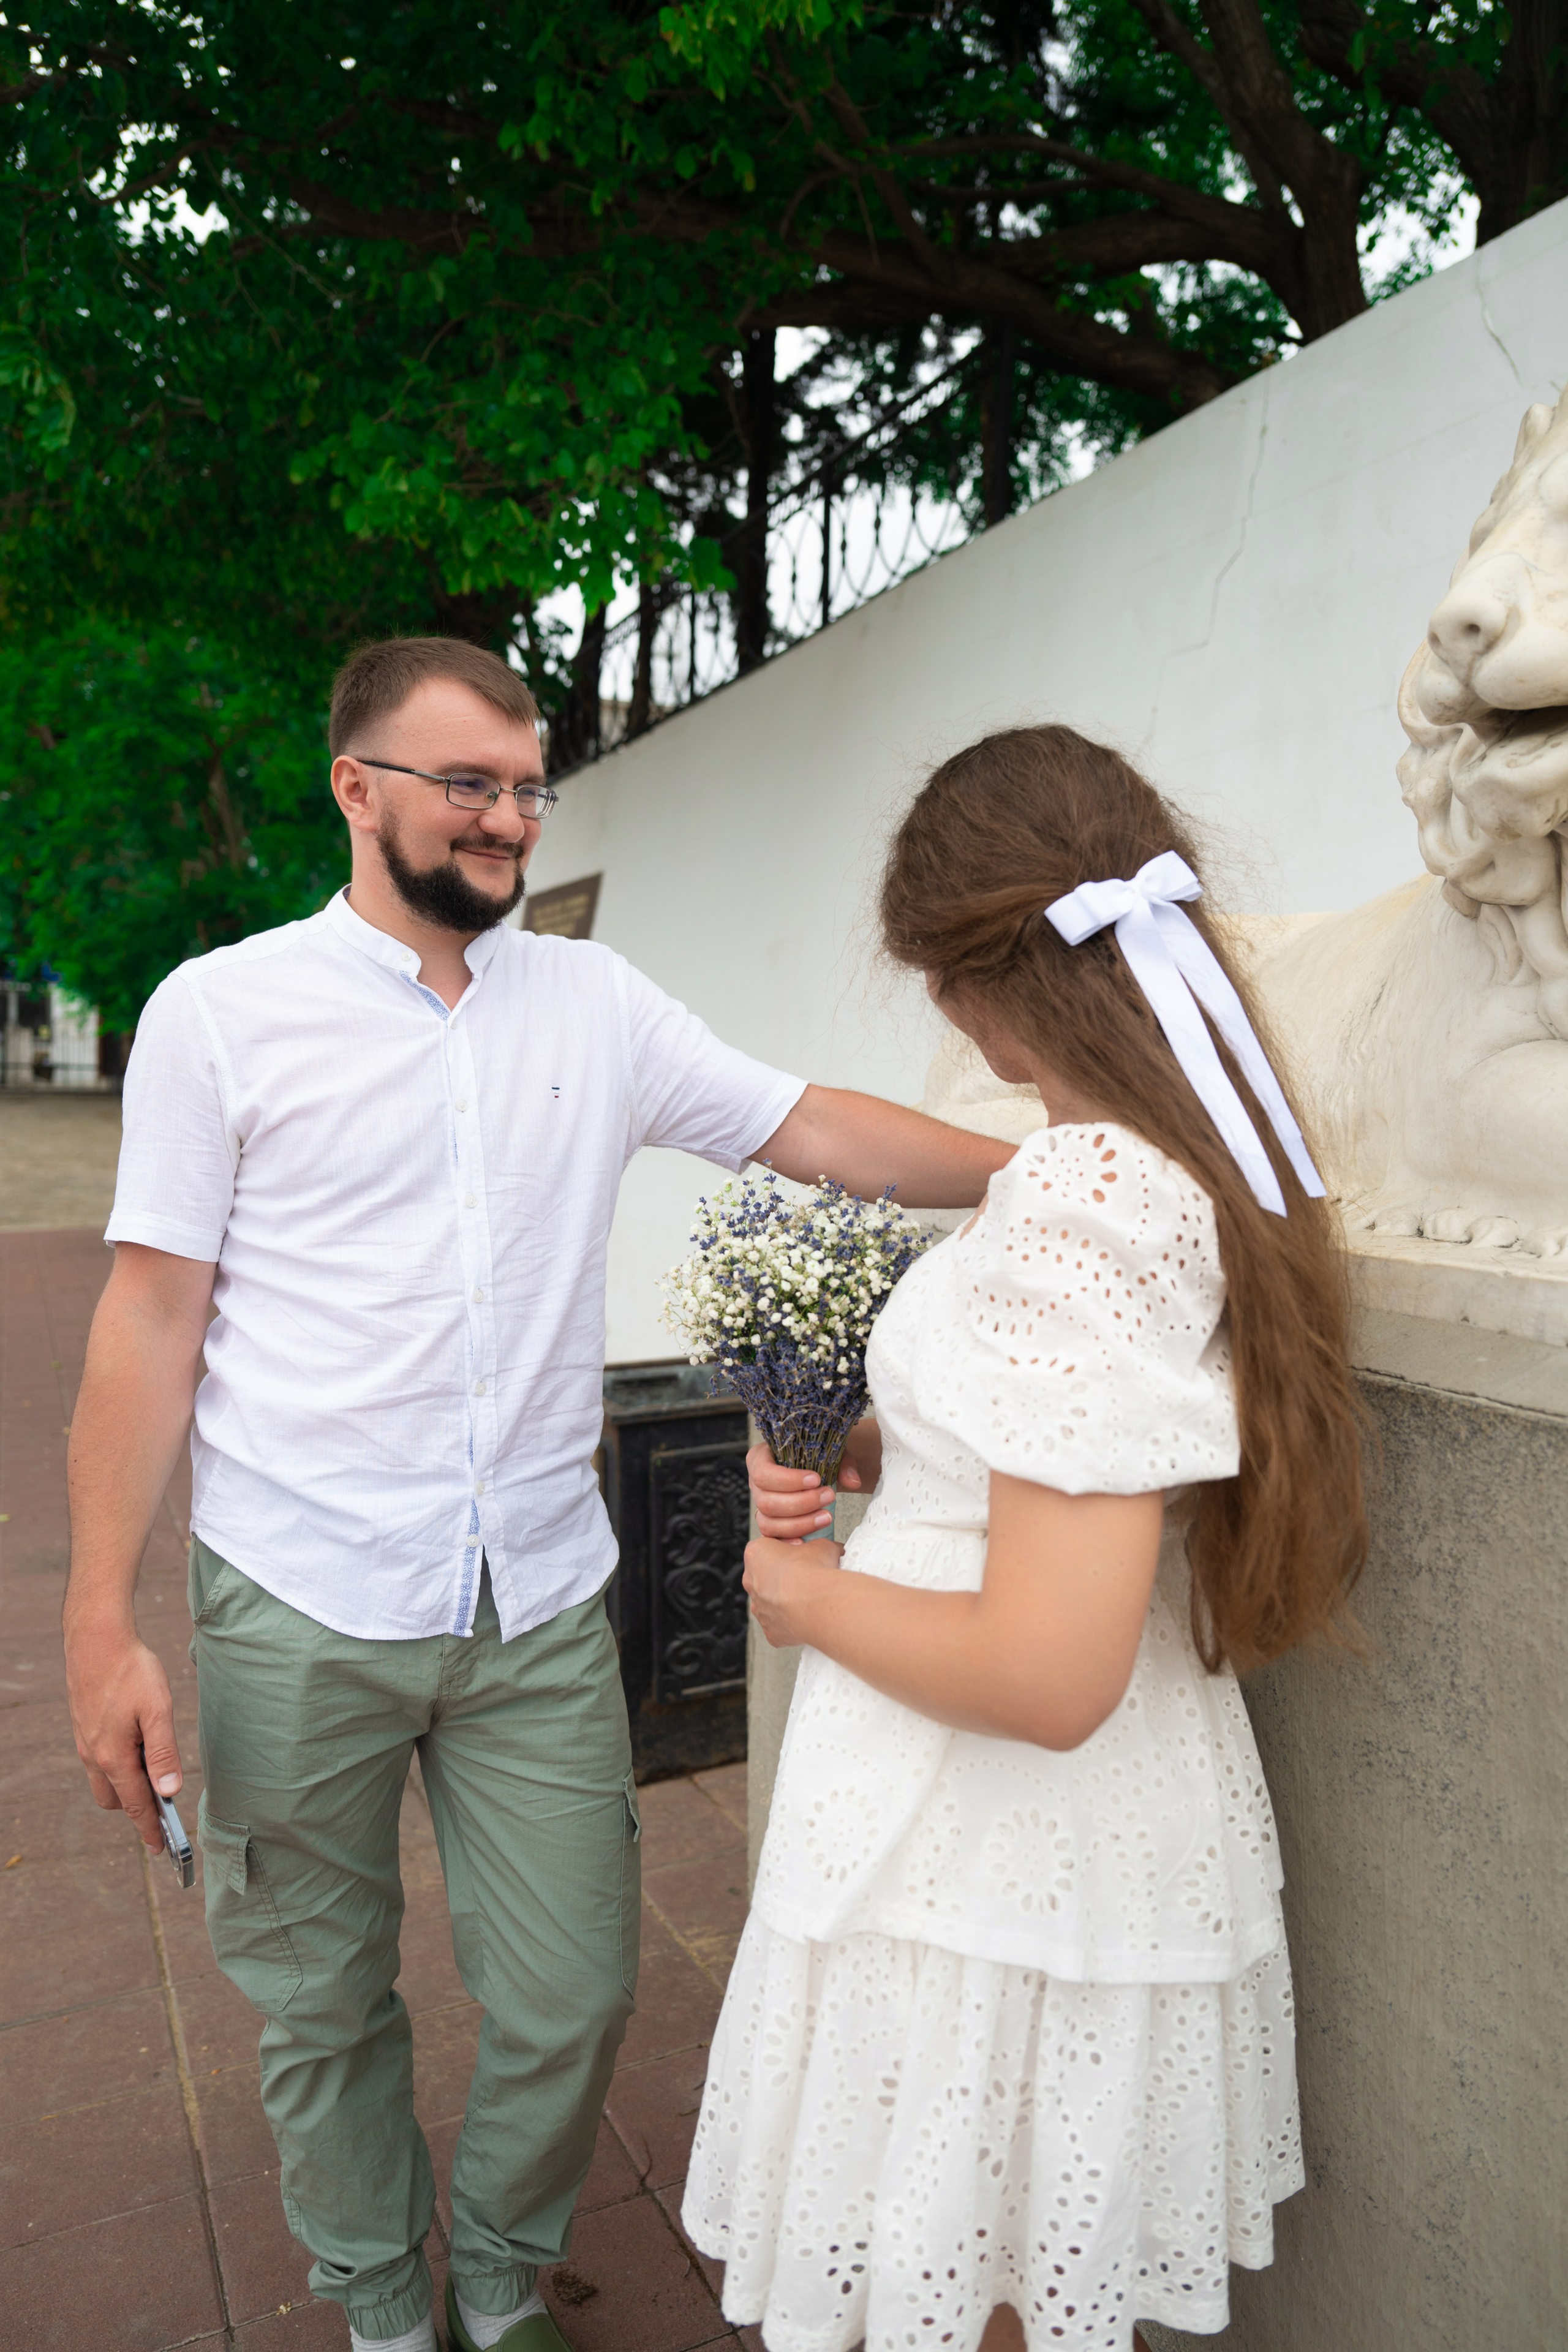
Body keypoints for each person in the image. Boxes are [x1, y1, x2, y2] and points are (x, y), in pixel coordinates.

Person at [62, 636, 1013, 2352]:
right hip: (295, 1595)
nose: (507, 817)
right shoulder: (224, 1014)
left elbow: (815, 1131)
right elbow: (148, 1321)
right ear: (358, 789)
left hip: (537, 1600)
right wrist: (97, 1625)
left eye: (524, 786)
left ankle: (500, 2283)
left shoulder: (599, 1007)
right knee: (319, 2003)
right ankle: (380, 2308)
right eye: (468, 784)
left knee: (574, 1988)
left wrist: (1071, 1159)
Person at [683, 723, 1369, 2352]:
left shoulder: (1081, 1209)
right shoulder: (1164, 1164)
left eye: (933, 975)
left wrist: (800, 1592)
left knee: (975, 2298)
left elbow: (1051, 1670)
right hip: (1036, 1838)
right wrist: (873, 1445)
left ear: (974, 981)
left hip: (989, 1850)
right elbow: (1064, 1462)